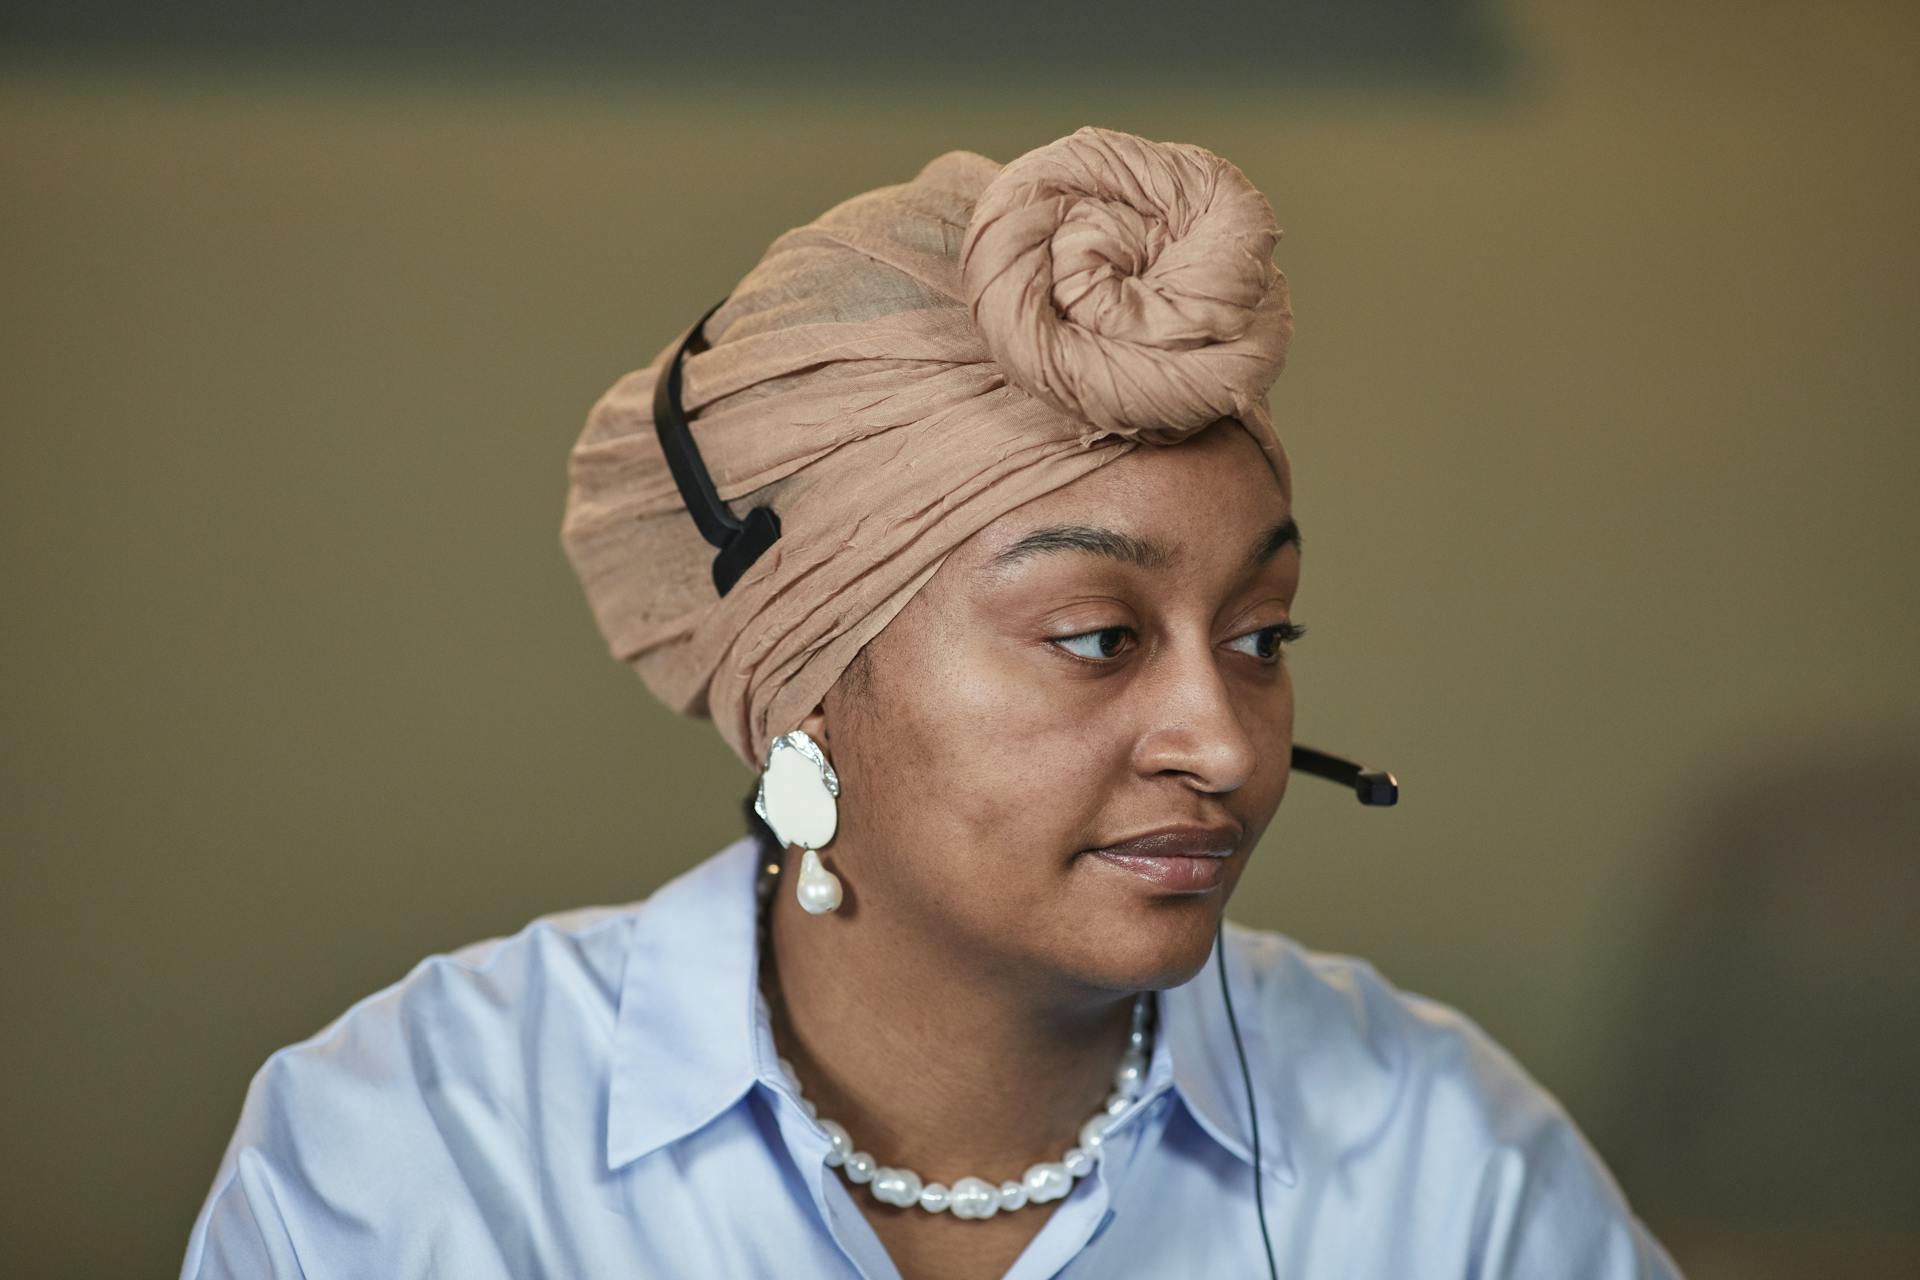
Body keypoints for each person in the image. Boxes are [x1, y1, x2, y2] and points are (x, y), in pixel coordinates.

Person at [180, 125, 1680, 1279]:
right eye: (1096, 636)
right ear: (810, 689)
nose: (1224, 744)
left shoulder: (1444, 1161)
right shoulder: (421, 1144)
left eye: (1262, 636)